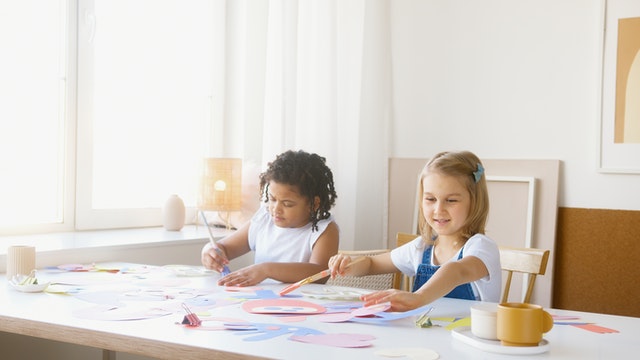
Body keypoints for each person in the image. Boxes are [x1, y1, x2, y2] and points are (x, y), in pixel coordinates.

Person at [328, 150, 501, 311]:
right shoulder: (421, 248)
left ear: (475, 202)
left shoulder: (482, 248)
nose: (438, 209)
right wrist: (349, 264)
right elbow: (372, 264)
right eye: (430, 199)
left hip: (466, 341)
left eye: (451, 200)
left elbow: (456, 271)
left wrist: (418, 297)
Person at [201, 149, 339, 287]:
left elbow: (319, 273)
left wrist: (266, 270)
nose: (276, 209)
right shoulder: (264, 219)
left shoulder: (324, 230)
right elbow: (225, 248)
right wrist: (210, 251)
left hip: (303, 305)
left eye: (287, 204)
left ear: (314, 204)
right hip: (260, 301)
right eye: (272, 199)